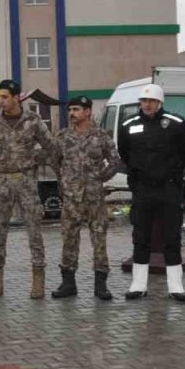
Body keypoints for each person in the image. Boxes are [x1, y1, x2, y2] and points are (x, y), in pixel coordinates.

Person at [0, 79, 55, 299]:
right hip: (2, 185)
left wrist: (32, 158)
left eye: (4, 97)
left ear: (16, 98)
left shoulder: (33, 121)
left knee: (34, 231)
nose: (0, 100)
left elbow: (51, 147)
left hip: (27, 184)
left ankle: (38, 281)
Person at [116, 84, 185, 301]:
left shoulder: (177, 124)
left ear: (160, 102)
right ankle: (138, 285)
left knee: (172, 236)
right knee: (141, 236)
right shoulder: (129, 125)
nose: (147, 105)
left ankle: (175, 286)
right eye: (144, 101)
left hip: (169, 188)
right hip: (143, 189)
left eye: (151, 101)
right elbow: (125, 153)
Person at [51, 96, 120, 301]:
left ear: (88, 112)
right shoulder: (62, 137)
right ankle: (68, 283)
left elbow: (115, 161)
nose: (72, 113)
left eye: (76, 109)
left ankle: (100, 286)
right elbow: (55, 161)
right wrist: (65, 181)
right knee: (69, 240)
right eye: (70, 109)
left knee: (99, 240)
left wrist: (100, 178)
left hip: (94, 198)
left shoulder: (102, 136)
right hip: (72, 199)